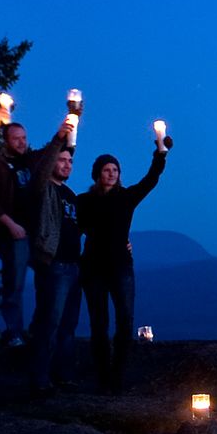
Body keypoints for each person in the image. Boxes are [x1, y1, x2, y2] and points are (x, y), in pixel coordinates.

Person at [78, 134, 170, 390]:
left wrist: (160, 152)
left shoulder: (126, 198)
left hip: (121, 266)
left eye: (115, 170)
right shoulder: (84, 201)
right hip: (93, 267)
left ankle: (118, 374)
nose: (111, 174)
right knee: (99, 323)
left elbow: (151, 179)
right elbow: (73, 229)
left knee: (125, 319)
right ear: (97, 174)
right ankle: (103, 376)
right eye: (107, 170)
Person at [22, 121, 79, 395]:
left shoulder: (71, 195)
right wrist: (59, 139)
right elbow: (41, 171)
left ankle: (64, 375)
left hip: (74, 266)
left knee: (69, 325)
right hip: (53, 265)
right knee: (50, 322)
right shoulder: (43, 189)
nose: (67, 165)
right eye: (62, 160)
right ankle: (40, 378)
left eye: (70, 161)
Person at [0, 120, 48, 347]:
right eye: (16, 139)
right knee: (14, 284)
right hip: (13, 234)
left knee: (47, 278)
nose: (21, 143)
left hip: (35, 232)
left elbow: (52, 152)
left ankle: (39, 328)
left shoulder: (29, 161)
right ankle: (14, 332)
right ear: (6, 141)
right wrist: (10, 224)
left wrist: (65, 132)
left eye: (24, 138)